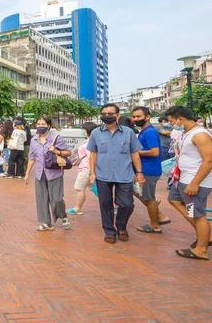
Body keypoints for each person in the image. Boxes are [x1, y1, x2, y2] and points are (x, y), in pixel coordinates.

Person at [88, 103, 145, 244]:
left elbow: (134, 153)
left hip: (124, 174)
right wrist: (92, 173)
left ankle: (121, 227)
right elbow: (93, 154)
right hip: (103, 174)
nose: (107, 116)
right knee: (105, 204)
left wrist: (139, 173)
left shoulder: (128, 132)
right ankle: (109, 231)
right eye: (104, 114)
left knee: (127, 204)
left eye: (110, 114)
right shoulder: (96, 133)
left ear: (118, 115)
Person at [164, 106, 212, 260]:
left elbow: (209, 160)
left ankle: (202, 249)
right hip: (184, 179)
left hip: (195, 180)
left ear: (181, 119)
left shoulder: (200, 135)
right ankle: (203, 235)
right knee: (174, 199)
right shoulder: (187, 133)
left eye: (172, 121)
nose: (171, 124)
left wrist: (195, 183)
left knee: (198, 215)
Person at [24, 117, 72, 231]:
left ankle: (63, 216)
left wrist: (57, 151)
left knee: (56, 199)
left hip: (54, 173)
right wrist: (27, 173)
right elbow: (31, 157)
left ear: (49, 126)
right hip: (40, 173)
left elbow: (68, 152)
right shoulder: (34, 139)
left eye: (43, 124)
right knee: (42, 198)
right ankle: (47, 223)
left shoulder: (56, 138)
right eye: (38, 123)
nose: (40, 126)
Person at [132, 107, 172, 234]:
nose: (136, 119)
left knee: (149, 198)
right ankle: (159, 216)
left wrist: (135, 152)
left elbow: (154, 152)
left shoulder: (149, 132)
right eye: (135, 117)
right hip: (146, 169)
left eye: (139, 116)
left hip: (148, 170)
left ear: (147, 116)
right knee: (139, 193)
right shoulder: (145, 131)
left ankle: (155, 225)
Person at [67, 122, 97, 215]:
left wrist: (92, 172)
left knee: (80, 188)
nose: (82, 131)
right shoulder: (91, 140)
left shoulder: (90, 142)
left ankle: (77, 208)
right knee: (95, 189)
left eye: (83, 130)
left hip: (86, 169)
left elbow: (91, 157)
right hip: (87, 169)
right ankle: (112, 206)